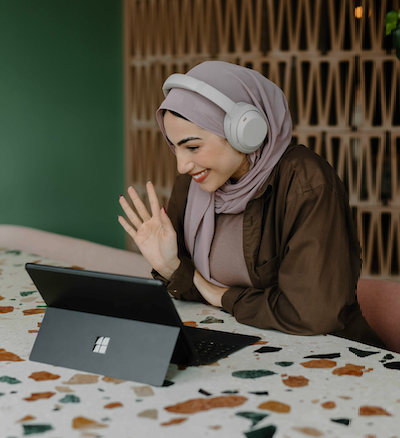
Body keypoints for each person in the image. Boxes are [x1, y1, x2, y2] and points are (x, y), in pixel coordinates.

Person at [118, 61, 384, 348]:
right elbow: (196, 295)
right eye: (175, 147)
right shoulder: (193, 184)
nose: (182, 165)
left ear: (243, 132)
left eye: (192, 147)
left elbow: (311, 313)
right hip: (246, 346)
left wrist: (221, 295)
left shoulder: (306, 181)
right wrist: (172, 267)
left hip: (332, 355)